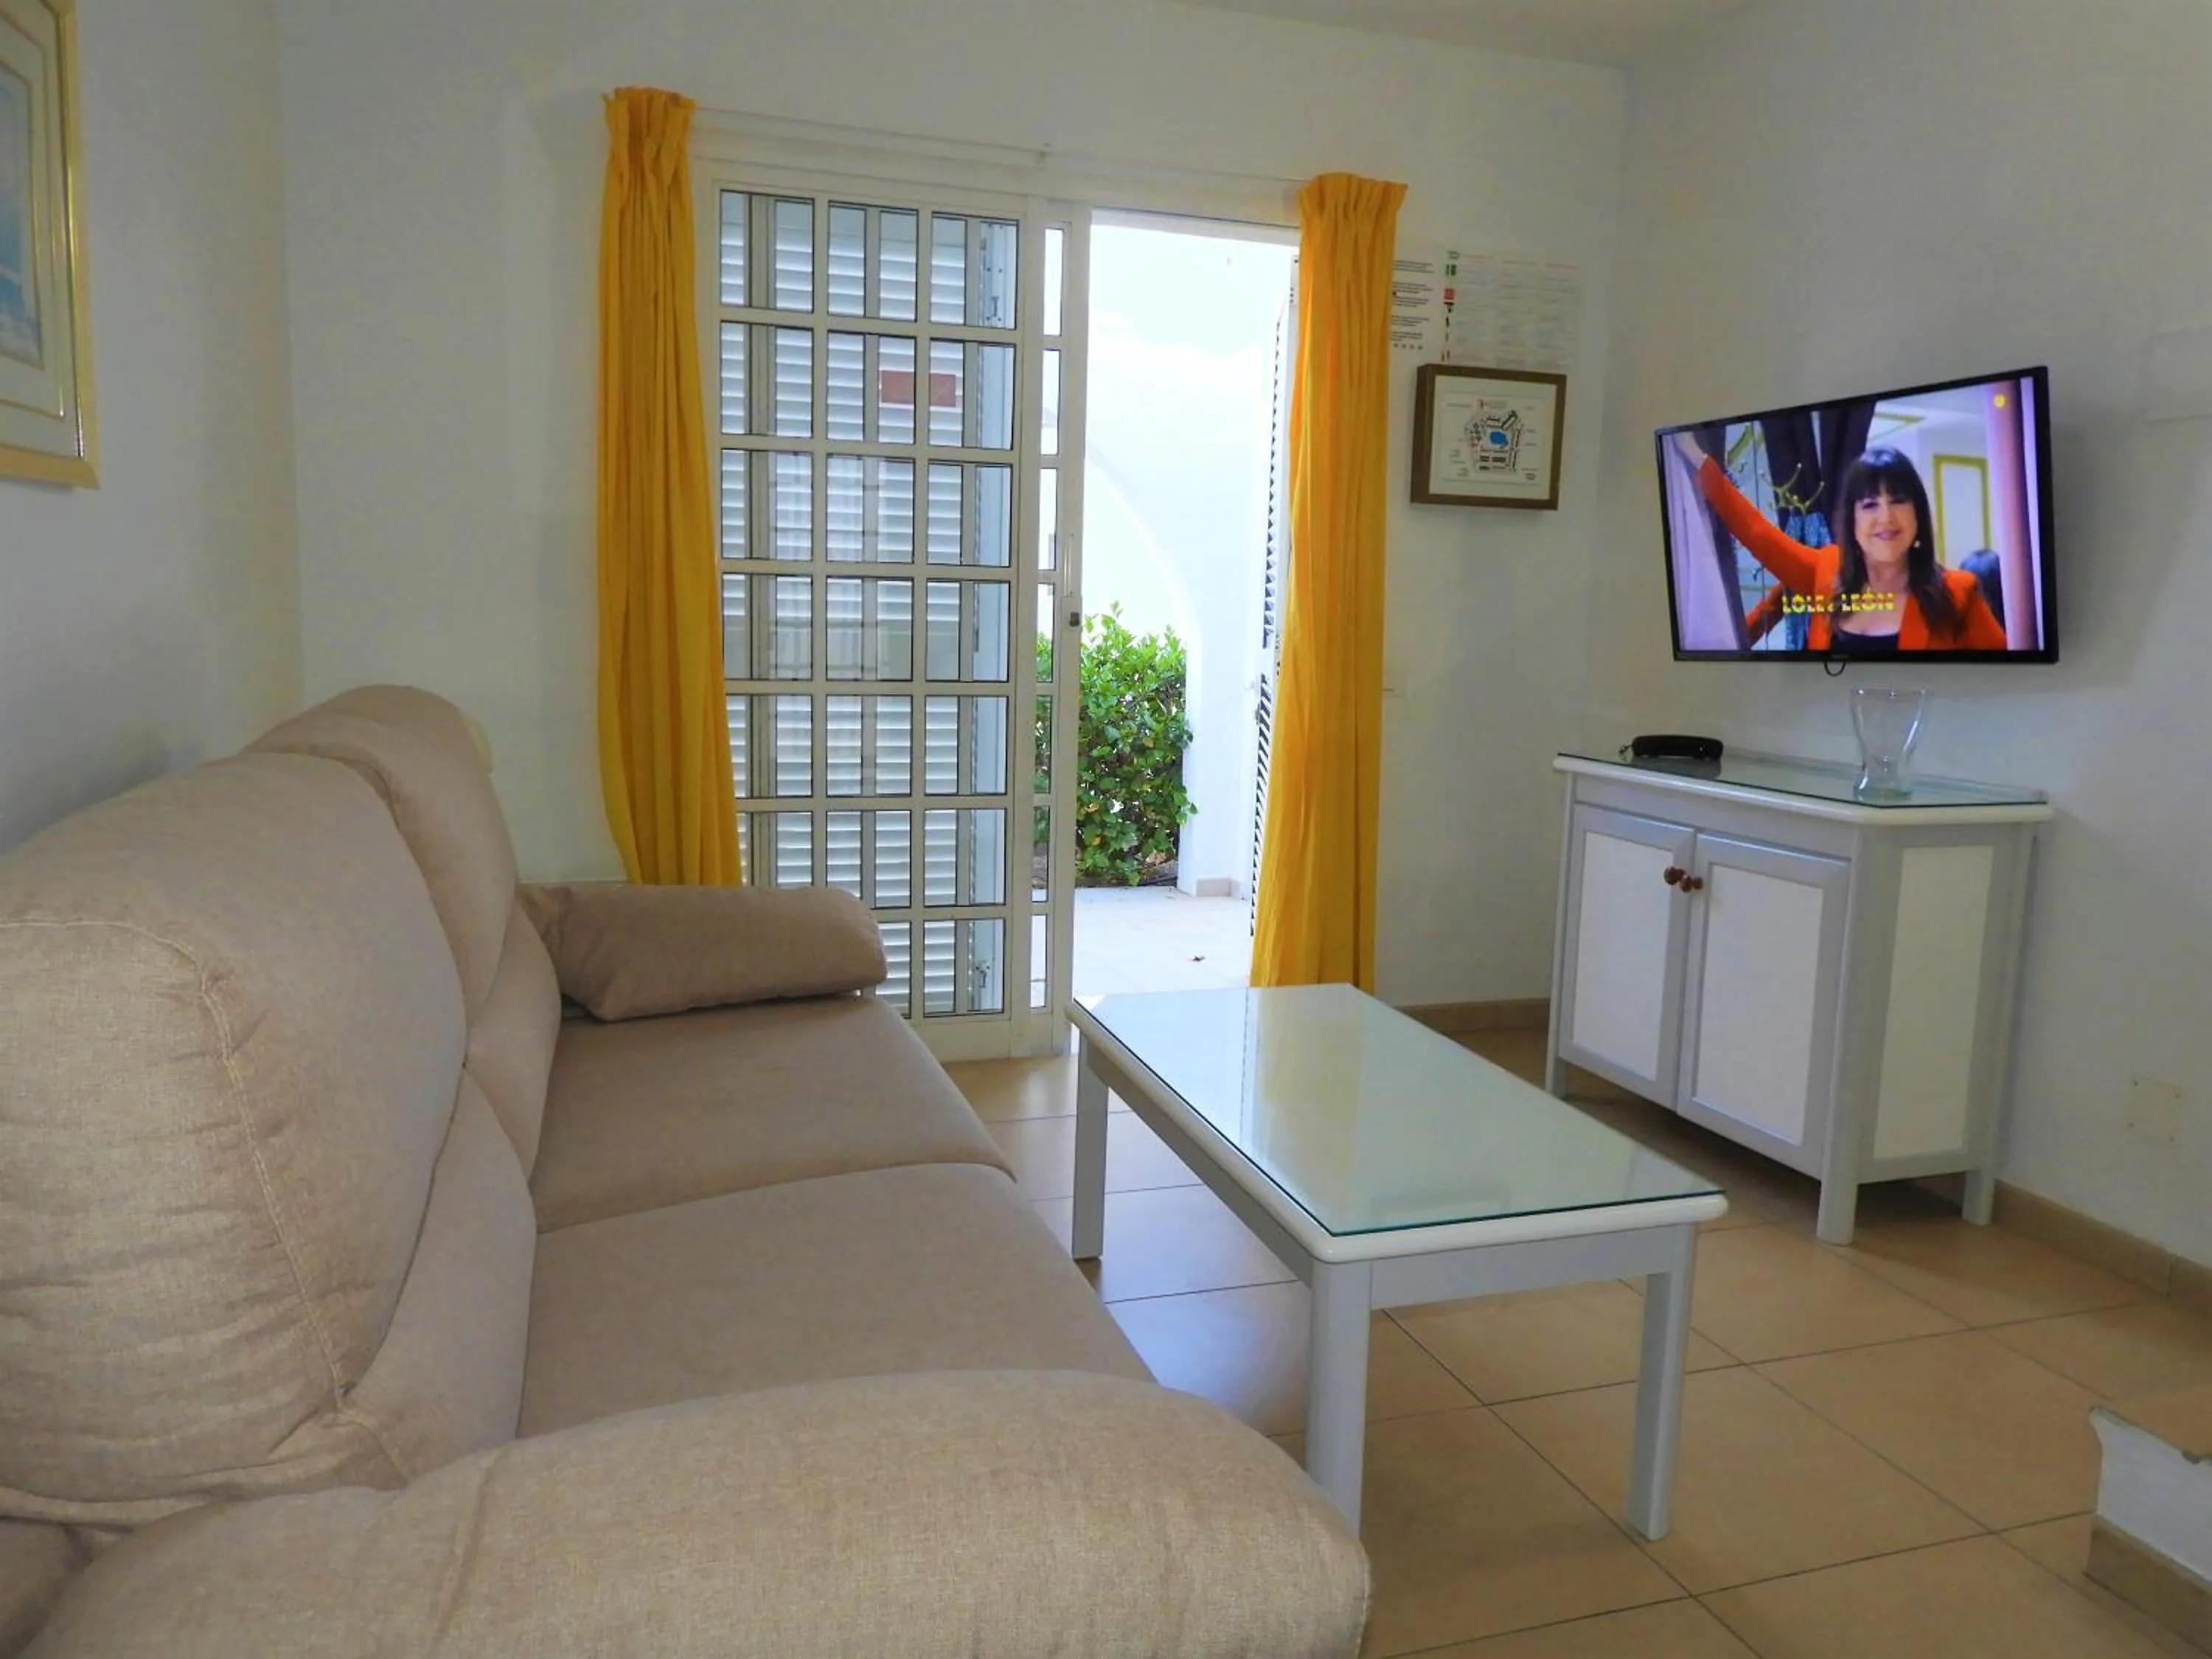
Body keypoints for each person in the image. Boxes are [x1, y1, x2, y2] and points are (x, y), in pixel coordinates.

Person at [1671, 433, 2007, 653]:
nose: (1886, 517)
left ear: (1919, 515)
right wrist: (1699, 462)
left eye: (1899, 501)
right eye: (1870, 505)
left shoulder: (1959, 593)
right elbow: (1757, 532)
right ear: (1852, 520)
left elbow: (2010, 683)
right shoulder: (1823, 570)